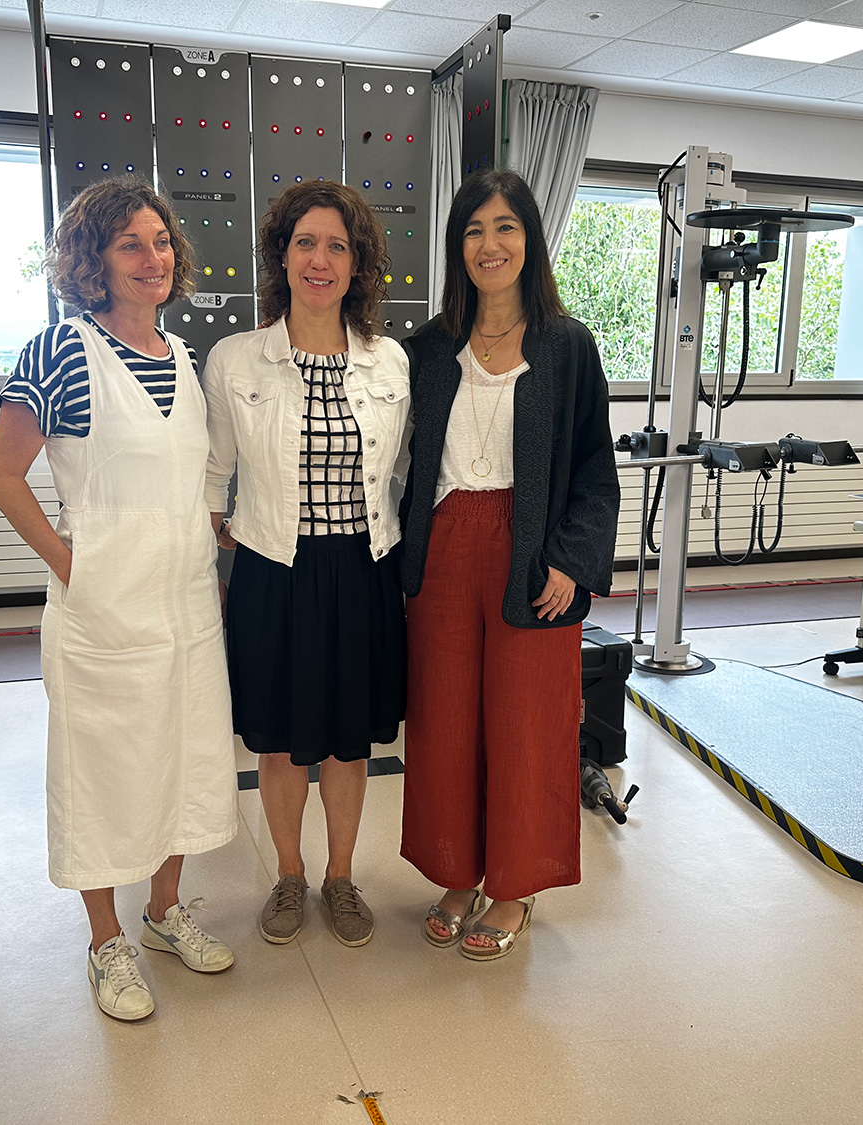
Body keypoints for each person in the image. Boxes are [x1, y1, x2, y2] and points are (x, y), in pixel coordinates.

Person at [0, 177, 238, 1021]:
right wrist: (74, 566)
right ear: (92, 259)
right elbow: (3, 475)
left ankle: (164, 912)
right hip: (102, 605)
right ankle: (105, 941)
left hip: (185, 604)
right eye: (130, 243)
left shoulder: (185, 358)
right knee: (101, 770)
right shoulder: (61, 350)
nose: (152, 257)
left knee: (182, 757)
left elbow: (190, 480)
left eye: (161, 241)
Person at [398, 168, 620, 961]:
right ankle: (457, 871)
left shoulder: (567, 345)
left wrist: (573, 560)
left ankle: (515, 884)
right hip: (442, 546)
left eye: (505, 227)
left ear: (530, 238)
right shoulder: (427, 348)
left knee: (529, 723)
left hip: (533, 553)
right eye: (473, 230)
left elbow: (595, 465)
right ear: (456, 246)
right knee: (445, 719)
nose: (489, 245)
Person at [204, 181, 410, 948]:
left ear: (357, 264)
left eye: (337, 246)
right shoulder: (235, 359)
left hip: (362, 568)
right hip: (273, 570)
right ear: (281, 256)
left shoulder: (390, 362)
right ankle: (289, 874)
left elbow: (410, 468)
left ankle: (340, 877)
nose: (320, 260)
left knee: (348, 741)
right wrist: (214, 548)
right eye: (305, 243)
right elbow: (212, 472)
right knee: (282, 739)